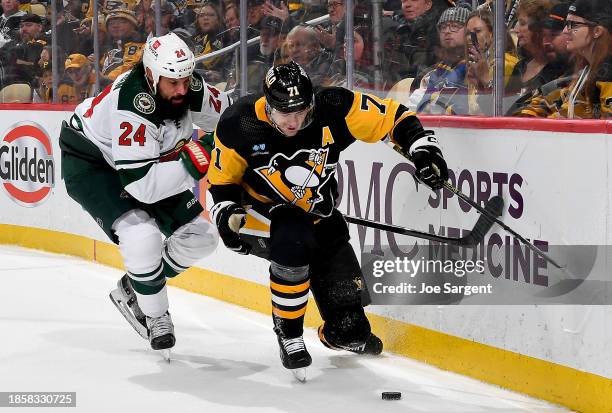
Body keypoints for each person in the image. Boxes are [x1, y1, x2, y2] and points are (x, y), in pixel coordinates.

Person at [208, 61, 449, 377]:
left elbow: (391, 117)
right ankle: (290, 335)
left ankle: (338, 334)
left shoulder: (333, 106)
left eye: (300, 111)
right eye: (284, 113)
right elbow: (221, 183)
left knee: (350, 329)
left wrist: (421, 147)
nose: (293, 122)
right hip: (258, 216)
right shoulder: (240, 124)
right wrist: (227, 215)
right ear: (268, 105)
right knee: (293, 234)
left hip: (319, 216)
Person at [58, 32, 232, 351]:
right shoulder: (134, 101)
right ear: (151, 74)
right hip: (91, 161)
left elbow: (231, 118)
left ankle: (137, 286)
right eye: (172, 81)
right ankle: (155, 315)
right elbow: (144, 187)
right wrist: (201, 156)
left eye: (186, 79)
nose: (182, 89)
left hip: (147, 163)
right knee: (142, 236)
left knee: (202, 237)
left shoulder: (184, 85)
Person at [515, 0, 612, 118]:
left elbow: (607, 125)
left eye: (573, 24)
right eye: (566, 24)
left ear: (597, 31)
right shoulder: (586, 71)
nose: (565, 31)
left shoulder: (607, 72)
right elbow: (564, 111)